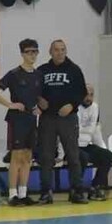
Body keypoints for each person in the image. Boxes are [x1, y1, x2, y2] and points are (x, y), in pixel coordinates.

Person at [35, 39, 88, 205]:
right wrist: (39, 99)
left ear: (66, 51)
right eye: (56, 50)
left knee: (73, 155)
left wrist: (72, 105)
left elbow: (82, 93)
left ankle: (76, 191)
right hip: (48, 118)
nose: (60, 52)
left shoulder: (74, 70)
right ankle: (45, 192)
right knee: (46, 157)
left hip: (68, 118)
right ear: (50, 52)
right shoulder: (42, 70)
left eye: (63, 49)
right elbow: (33, 90)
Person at [0, 38, 40, 206]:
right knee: (16, 156)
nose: (32, 55)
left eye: (35, 51)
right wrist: (10, 105)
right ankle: (12, 195)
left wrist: (40, 108)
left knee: (27, 156)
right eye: (28, 52)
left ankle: (23, 193)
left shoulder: (38, 75)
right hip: (17, 120)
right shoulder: (14, 74)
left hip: (31, 119)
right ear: (22, 54)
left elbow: (39, 97)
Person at [76, 85, 112, 200]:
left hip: (86, 144)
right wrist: (87, 131)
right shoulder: (74, 107)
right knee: (83, 157)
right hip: (72, 145)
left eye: (91, 95)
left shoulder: (95, 107)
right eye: (86, 94)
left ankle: (95, 187)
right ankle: (77, 190)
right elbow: (75, 131)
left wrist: (102, 147)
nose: (89, 98)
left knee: (107, 155)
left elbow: (94, 130)